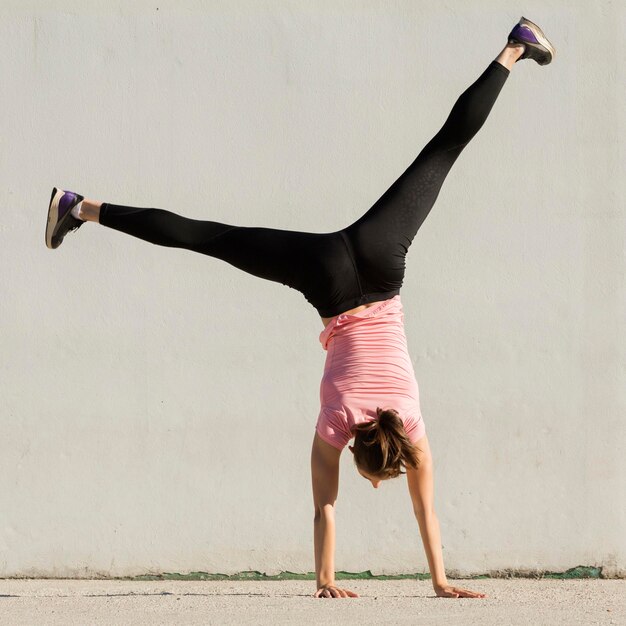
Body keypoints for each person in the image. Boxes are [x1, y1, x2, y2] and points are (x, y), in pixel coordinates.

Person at [45, 17, 555, 600]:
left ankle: (516, 47)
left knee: (442, 151)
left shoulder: (410, 424)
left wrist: (433, 579)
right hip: (330, 283)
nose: (374, 485)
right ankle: (78, 207)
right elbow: (325, 510)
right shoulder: (338, 422)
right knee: (209, 238)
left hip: (379, 264)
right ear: (364, 455)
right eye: (376, 479)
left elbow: (423, 511)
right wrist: (329, 580)